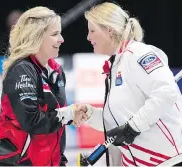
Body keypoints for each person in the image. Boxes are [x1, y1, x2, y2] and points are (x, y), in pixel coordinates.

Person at [77, 2, 182, 166]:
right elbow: (120, 123)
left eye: (92, 31)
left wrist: (132, 127)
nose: (88, 37)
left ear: (109, 30)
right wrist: (90, 115)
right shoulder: (117, 64)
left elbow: (166, 92)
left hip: (168, 161)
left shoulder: (138, 54)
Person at [0, 6, 88, 166]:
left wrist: (60, 160)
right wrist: (68, 114)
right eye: (55, 34)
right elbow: (32, 121)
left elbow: (55, 119)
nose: (62, 39)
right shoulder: (22, 69)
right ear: (37, 36)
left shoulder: (56, 70)